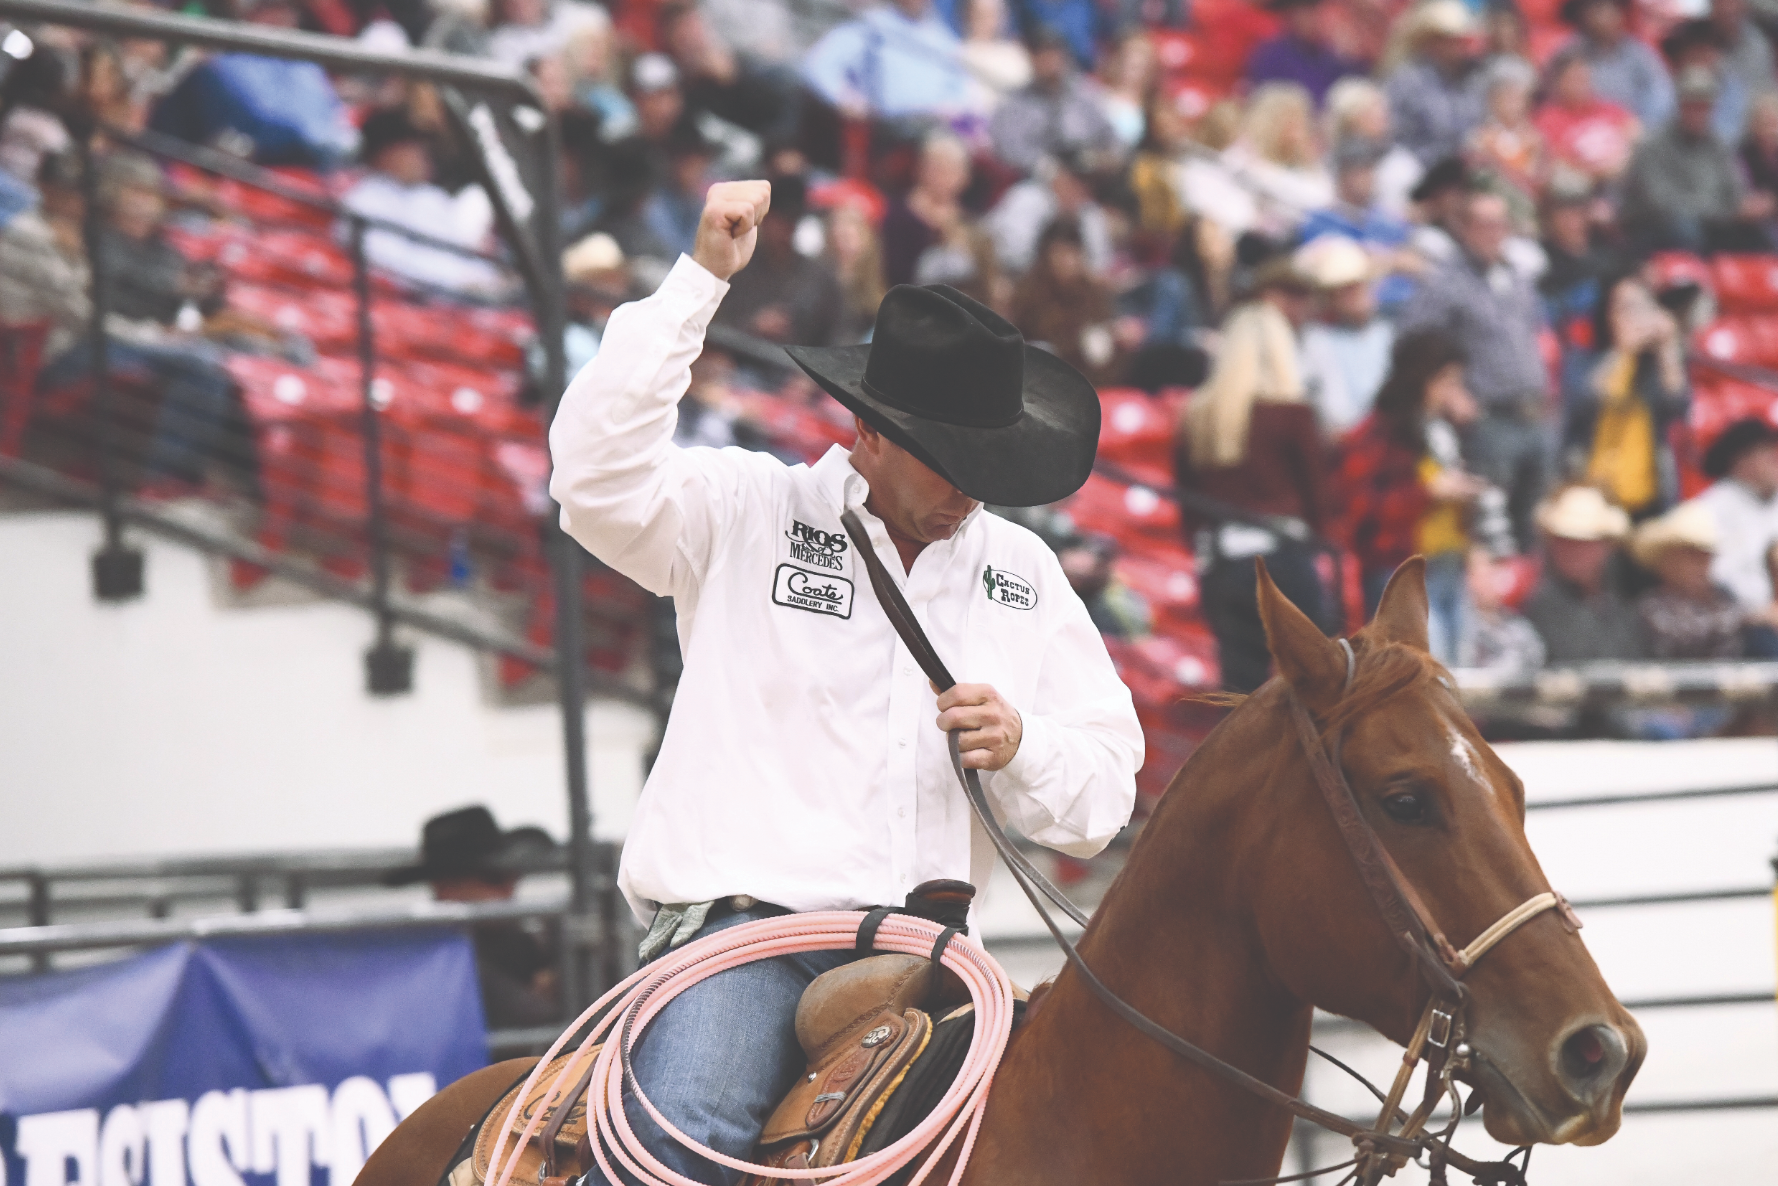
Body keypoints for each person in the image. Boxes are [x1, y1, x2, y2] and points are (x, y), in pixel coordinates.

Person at [548, 180, 1141, 1183]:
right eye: (949, 458)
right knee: (682, 1137)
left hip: (938, 959)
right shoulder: (747, 509)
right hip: (745, 941)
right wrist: (699, 282)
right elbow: (592, 481)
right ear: (868, 433)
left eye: (983, 458)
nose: (971, 484)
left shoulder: (1023, 572)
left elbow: (1104, 796)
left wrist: (1024, 744)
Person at [1175, 252, 1331, 692]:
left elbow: (1188, 504)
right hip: (1284, 560)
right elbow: (1320, 500)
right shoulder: (1291, 414)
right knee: (1316, 688)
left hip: (1221, 564)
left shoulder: (1198, 416)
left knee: (1241, 696)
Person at [1398, 188, 1551, 550]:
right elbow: (1413, 343)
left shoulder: (1516, 276)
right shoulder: (1446, 282)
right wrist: (1450, 391)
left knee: (1534, 528)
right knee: (1491, 529)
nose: (1493, 232)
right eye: (1483, 224)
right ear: (1462, 228)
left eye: (1500, 223)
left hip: (1534, 414)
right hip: (1488, 418)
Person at [1333, 328, 1486, 663]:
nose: (1453, 392)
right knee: (1421, 678)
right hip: (1402, 572)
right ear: (1422, 377)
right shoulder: (1380, 433)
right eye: (1446, 380)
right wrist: (1426, 492)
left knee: (1459, 679)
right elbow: (1359, 509)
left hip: (1449, 565)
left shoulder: (1441, 429)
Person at [384, 806, 563, 1029]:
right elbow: (536, 1017)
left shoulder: (513, 939)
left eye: (513, 876)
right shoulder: (435, 955)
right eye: (494, 878)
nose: (510, 890)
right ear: (445, 887)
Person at [340, 107, 505, 295]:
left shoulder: (430, 197)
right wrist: (461, 285)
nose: (424, 154)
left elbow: (463, 257)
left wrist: (487, 282)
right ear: (386, 154)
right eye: (413, 147)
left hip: (464, 303)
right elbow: (389, 270)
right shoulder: (363, 202)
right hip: (412, 306)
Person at [1565, 273, 1689, 519]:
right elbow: (1584, 403)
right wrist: (1622, 352)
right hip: (1594, 497)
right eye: (1626, 309)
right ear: (1608, 314)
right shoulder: (1585, 361)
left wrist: (1669, 348)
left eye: (1642, 308)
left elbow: (1678, 405)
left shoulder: (1655, 368)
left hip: (1649, 499)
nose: (1635, 318)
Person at [1618, 66, 1774, 253]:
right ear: (1679, 105)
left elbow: (1736, 194)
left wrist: (1745, 208)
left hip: (1711, 224)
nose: (1698, 113)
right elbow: (1662, 203)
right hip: (1655, 229)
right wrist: (1723, 211)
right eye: (1692, 105)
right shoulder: (1653, 145)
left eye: (1704, 106)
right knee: (1685, 228)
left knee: (1759, 237)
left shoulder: (1718, 145)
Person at [1521, 484, 1649, 662]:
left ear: (1606, 547)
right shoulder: (1544, 605)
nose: (1572, 551)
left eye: (1584, 542)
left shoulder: (1618, 605)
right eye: (1563, 541)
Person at [714, 174, 845, 347]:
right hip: (741, 362)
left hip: (798, 367)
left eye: (793, 220)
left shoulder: (818, 277)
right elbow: (715, 327)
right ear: (764, 220)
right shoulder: (737, 269)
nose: (787, 229)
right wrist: (752, 325)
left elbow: (838, 334)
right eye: (781, 220)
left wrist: (811, 371)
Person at [800, 0, 974, 123]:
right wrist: (845, 99)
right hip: (889, 126)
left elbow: (962, 90)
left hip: (936, 125)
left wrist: (952, 109)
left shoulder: (944, 39)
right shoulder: (871, 25)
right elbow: (819, 64)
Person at [1693, 417, 1778, 656]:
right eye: (1766, 454)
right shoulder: (1712, 507)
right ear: (1741, 461)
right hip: (1744, 621)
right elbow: (1717, 573)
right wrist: (1764, 609)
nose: (1774, 461)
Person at [987, 25, 1119, 175]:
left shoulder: (1086, 95)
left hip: (1089, 176)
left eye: (1055, 53)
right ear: (1031, 58)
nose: (1050, 61)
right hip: (1037, 180)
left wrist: (1102, 159)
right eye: (1042, 55)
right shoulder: (1015, 102)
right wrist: (1046, 169)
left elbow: (1111, 138)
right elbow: (1008, 148)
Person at [1297, 235, 1394, 437]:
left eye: (1359, 285)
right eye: (1344, 289)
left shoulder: (1388, 333)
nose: (1355, 294)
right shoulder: (1315, 339)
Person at [1008, 216, 1122, 384]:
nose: (1067, 261)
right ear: (1045, 255)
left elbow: (1101, 337)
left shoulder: (1092, 291)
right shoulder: (1029, 291)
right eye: (1059, 253)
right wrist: (1079, 341)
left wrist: (1114, 334)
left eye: (1073, 252)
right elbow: (1037, 335)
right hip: (1041, 376)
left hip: (1087, 377)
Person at [1631, 500, 1745, 659]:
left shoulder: (1724, 599)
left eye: (1706, 557)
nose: (1702, 565)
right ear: (1668, 560)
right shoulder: (1651, 607)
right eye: (1692, 555)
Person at [1219, 82, 1334, 240]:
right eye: (1290, 122)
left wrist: (1268, 177)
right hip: (1252, 240)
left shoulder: (1306, 161)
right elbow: (1235, 210)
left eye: (1301, 121)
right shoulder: (1240, 156)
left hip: (1298, 238)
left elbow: (1322, 200)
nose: (1298, 131)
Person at [1384, 0, 1486, 167]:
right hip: (1420, 169)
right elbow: (1396, 136)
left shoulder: (1473, 79)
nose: (1458, 47)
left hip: (1464, 170)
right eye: (1451, 40)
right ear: (1432, 43)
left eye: (1460, 40)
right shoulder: (1408, 81)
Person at [1554, 0, 1674, 131]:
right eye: (1598, 10)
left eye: (1611, 10)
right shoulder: (1569, 52)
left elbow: (1660, 94)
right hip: (1578, 131)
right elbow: (1552, 99)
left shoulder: (1639, 53)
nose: (1605, 16)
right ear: (1583, 15)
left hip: (1632, 130)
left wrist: (1645, 128)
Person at [1533, 50, 1637, 188]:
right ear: (1558, 82)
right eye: (1574, 78)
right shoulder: (1547, 119)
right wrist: (1600, 171)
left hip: (1626, 176)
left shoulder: (1610, 108)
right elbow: (1556, 161)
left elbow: (1637, 135)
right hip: (1586, 186)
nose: (1582, 84)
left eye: (1584, 77)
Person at [1244, 0, 1364, 108]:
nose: (1313, 19)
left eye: (1315, 12)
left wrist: (1350, 57)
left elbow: (1353, 87)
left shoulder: (1330, 55)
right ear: (1290, 16)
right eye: (1304, 13)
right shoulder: (1270, 57)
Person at [1468, 55, 1545, 202]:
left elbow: (1537, 176)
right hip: (1495, 199)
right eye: (1506, 96)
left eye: (1517, 97)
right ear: (1492, 100)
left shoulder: (1534, 137)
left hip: (1528, 198)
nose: (1511, 103)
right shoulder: (1480, 137)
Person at [1458, 547, 1546, 672]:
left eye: (1500, 568)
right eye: (1489, 571)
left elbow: (1536, 659)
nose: (1498, 577)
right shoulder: (1454, 627)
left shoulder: (1518, 627)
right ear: (1469, 576)